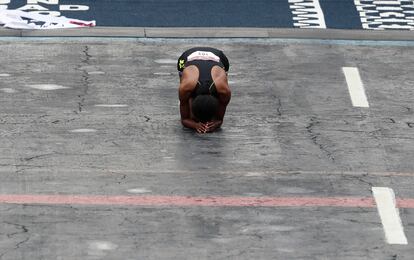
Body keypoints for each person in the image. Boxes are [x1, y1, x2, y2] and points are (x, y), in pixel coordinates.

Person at [177, 47, 231, 133]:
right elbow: (185, 119)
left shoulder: (224, 91)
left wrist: (215, 123)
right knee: (184, 87)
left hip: (219, 56)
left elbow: (219, 120)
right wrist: (195, 125)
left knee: (223, 74)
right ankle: (189, 101)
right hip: (186, 56)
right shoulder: (185, 87)